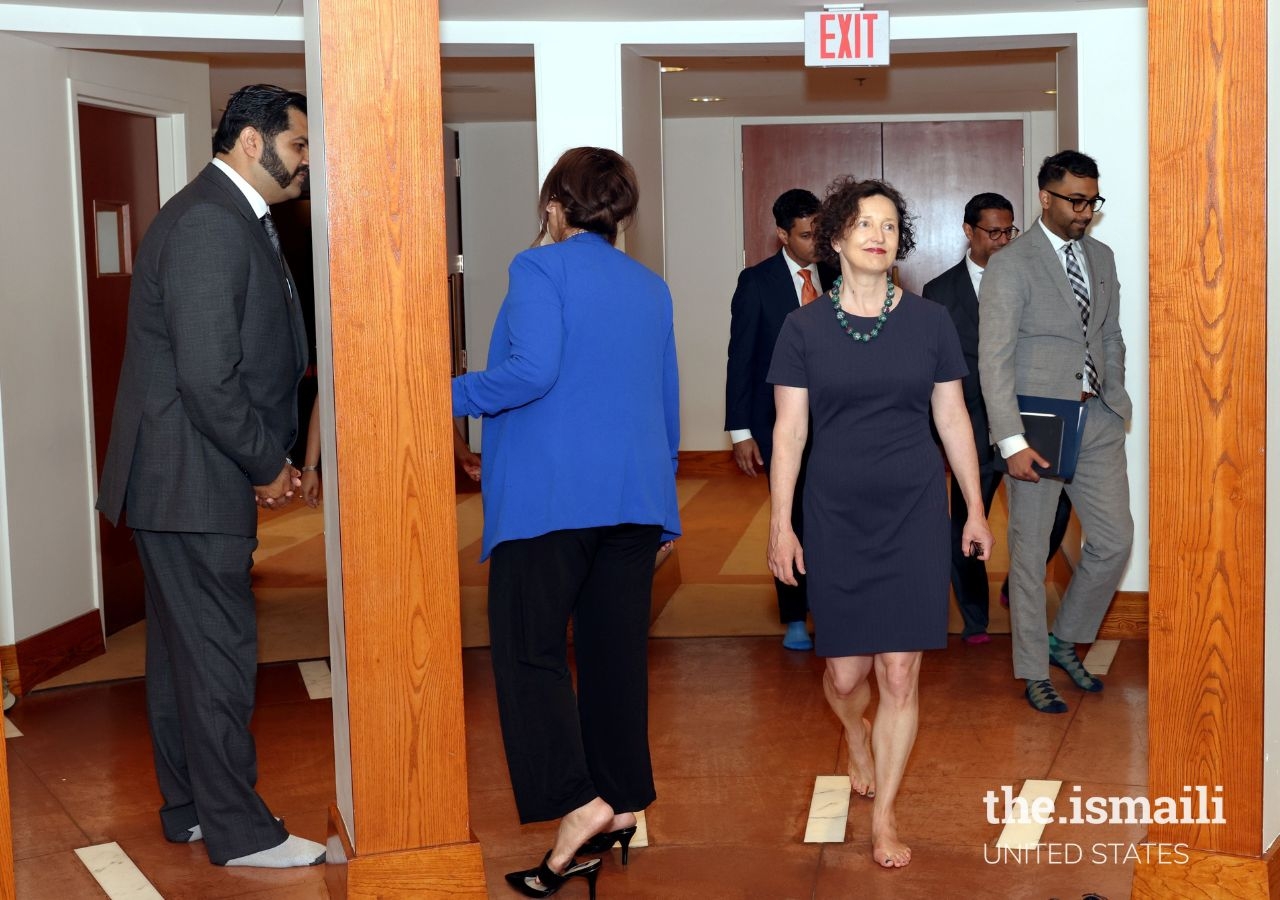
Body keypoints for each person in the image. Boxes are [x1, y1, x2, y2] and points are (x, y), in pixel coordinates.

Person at [96, 84, 325, 868]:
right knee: (221, 653)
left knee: (183, 658)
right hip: (191, 478)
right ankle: (242, 832)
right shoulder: (207, 224)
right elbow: (207, 377)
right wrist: (267, 465)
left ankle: (192, 808)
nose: (306, 166)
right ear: (253, 144)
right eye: (297, 148)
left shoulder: (229, 217)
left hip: (183, 476)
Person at [451, 147, 680, 897]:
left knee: (528, 655)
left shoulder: (537, 268)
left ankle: (580, 806)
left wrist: (439, 391)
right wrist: (662, 504)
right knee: (614, 659)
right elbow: (665, 400)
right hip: (634, 499)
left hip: (550, 499)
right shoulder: (650, 288)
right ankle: (614, 805)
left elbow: (531, 373)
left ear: (555, 204)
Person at [767, 177, 993, 868]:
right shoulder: (803, 326)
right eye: (864, 223)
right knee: (844, 678)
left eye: (890, 225)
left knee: (899, 674)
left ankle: (885, 816)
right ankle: (855, 734)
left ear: (902, 241)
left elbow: (953, 417)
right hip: (834, 514)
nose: (878, 234)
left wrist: (975, 507)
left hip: (914, 512)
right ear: (835, 239)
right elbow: (788, 434)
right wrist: (782, 524)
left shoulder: (928, 322)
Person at [978, 150, 1134, 714]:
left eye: (1092, 200)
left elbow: (1109, 333)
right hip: (1037, 425)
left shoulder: (1103, 256)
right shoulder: (1012, 264)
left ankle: (1063, 638)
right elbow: (993, 358)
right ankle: (1031, 670)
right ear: (1045, 197)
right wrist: (1011, 441)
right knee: (1029, 553)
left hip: (1096, 420)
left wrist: (1115, 395)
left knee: (1115, 540)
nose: (1085, 211)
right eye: (1075, 200)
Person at [922, 193, 1073, 645]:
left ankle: (1017, 581)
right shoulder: (939, 293)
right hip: (969, 426)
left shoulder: (1036, 279)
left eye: (1010, 230)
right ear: (969, 232)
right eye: (993, 232)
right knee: (968, 518)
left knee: (1059, 510)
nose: (1003, 240)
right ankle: (974, 618)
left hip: (1026, 425)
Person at [725, 188, 832, 650]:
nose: (816, 244)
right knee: (790, 518)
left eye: (821, 233)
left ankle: (830, 607)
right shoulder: (757, 282)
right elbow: (741, 357)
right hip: (778, 423)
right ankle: (793, 616)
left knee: (832, 519)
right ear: (783, 235)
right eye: (807, 236)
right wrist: (741, 430)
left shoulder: (838, 273)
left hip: (835, 420)